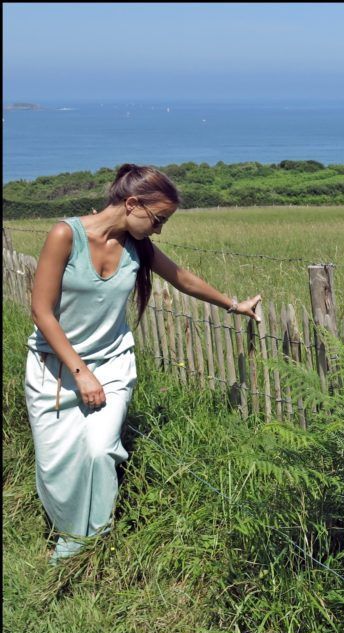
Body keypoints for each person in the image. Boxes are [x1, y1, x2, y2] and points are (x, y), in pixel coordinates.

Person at [24, 163, 262, 562]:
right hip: (56, 367)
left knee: (100, 450)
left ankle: (88, 545)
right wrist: (81, 373)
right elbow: (41, 312)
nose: (159, 230)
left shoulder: (139, 248)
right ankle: (69, 532)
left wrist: (234, 305)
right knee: (57, 466)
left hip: (114, 363)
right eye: (158, 219)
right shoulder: (66, 235)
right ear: (132, 203)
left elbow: (182, 278)